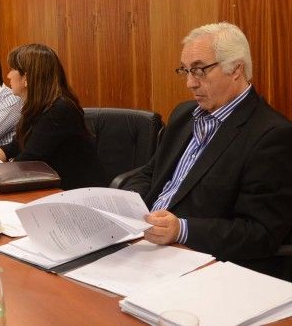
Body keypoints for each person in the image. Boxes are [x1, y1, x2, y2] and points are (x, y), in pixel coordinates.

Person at [125, 22, 292, 280]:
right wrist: (124, 203)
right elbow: (151, 173)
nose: (190, 83)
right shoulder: (184, 115)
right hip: (143, 245)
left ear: (236, 69)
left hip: (203, 263)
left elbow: (260, 233)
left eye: (199, 70)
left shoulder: (272, 135)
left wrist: (181, 229)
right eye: (185, 70)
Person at [0, 44, 106, 190]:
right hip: (51, 188)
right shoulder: (36, 107)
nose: (8, 75)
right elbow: (14, 147)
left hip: (78, 192)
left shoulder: (59, 110)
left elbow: (27, 160)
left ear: (26, 78)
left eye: (12, 69)